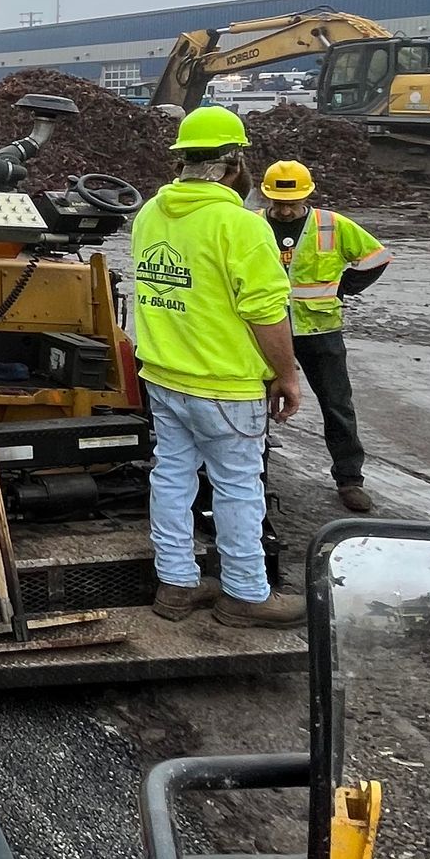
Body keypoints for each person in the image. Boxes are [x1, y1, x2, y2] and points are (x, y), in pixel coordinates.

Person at [131, 105, 305, 631]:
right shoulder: (240, 225)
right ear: (234, 165)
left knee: (172, 478)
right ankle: (246, 594)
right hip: (224, 385)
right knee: (236, 487)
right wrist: (287, 374)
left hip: (163, 377)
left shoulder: (150, 215)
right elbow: (265, 312)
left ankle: (176, 585)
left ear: (182, 159)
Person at [257, 159, 391, 516]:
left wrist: (344, 288)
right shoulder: (252, 224)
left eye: (292, 202)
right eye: (279, 202)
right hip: (266, 329)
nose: (285, 210)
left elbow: (377, 256)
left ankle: (349, 479)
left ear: (308, 195)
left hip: (319, 330)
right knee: (252, 405)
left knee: (337, 404)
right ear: (267, 195)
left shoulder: (331, 224)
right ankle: (254, 475)